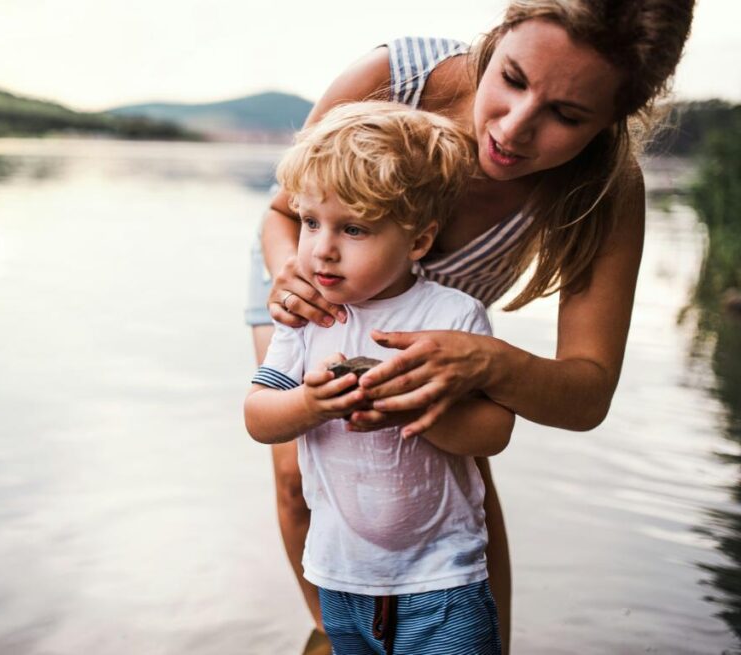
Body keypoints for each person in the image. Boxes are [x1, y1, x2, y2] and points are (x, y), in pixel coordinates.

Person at [244, 1, 696, 653]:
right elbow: (288, 214)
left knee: (464, 468)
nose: (514, 129)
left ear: (612, 120)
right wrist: (290, 270)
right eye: (512, 78)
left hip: (450, 321)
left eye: (566, 116)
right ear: (498, 36)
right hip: (308, 282)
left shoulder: (604, 189)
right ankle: (340, 632)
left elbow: (587, 391)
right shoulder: (394, 78)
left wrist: (487, 361)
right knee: (299, 471)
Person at [245, 102, 514, 655]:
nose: (322, 248)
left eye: (354, 228)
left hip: (443, 582)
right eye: (311, 222)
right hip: (340, 576)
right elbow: (258, 417)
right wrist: (310, 404)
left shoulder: (453, 317)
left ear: (417, 241)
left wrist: (414, 406)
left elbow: (493, 433)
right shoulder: (308, 315)